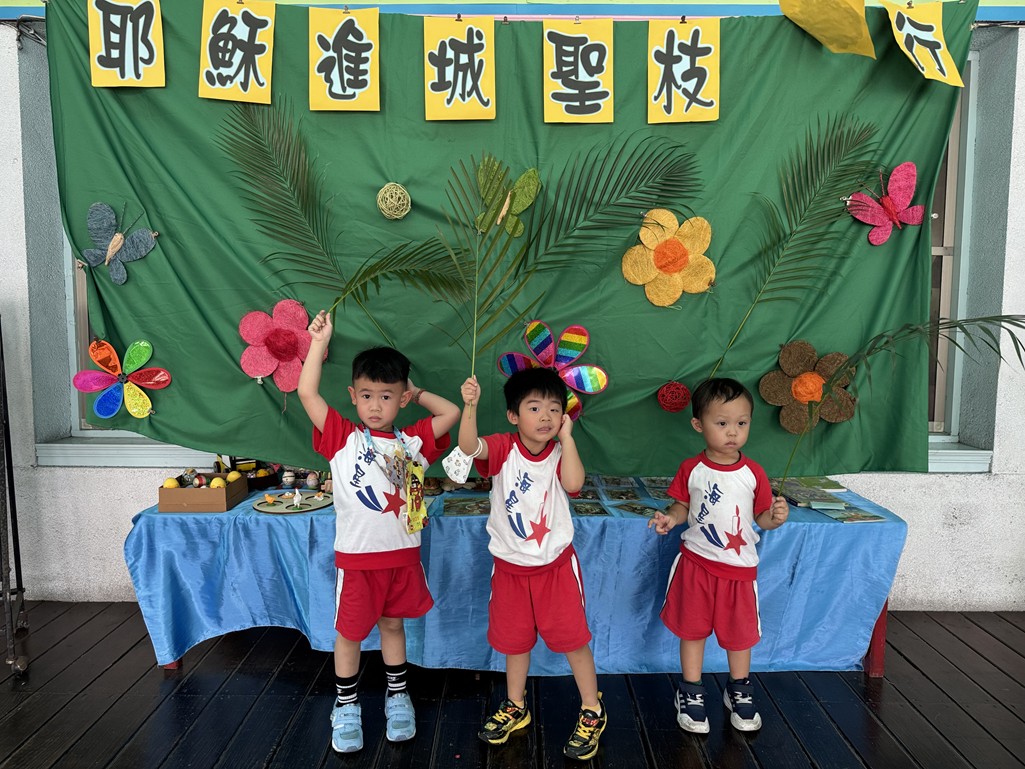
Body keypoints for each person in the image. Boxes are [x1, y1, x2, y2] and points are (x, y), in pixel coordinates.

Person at [298, 310, 461, 754]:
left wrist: (418, 392)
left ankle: (398, 696)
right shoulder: (343, 439)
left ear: (401, 399)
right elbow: (307, 392)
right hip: (357, 561)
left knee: (393, 625)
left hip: (402, 559)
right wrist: (318, 343)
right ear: (353, 396)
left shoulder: (413, 444)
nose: (375, 406)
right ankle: (346, 705)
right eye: (367, 395)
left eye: (387, 397)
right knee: (350, 633)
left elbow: (451, 412)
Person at [456, 368, 606, 761]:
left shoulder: (558, 453)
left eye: (554, 409)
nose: (545, 417)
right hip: (509, 569)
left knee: (573, 640)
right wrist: (469, 406)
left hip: (555, 569)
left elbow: (574, 484)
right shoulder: (502, 448)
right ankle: (515, 705)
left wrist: (568, 440)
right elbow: (468, 446)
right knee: (514, 642)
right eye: (534, 408)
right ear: (513, 415)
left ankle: (592, 707)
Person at [648, 377, 789, 734]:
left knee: (740, 636)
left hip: (739, 571)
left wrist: (774, 518)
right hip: (696, 565)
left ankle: (738, 689)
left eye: (741, 423)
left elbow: (761, 518)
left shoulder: (754, 473)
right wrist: (670, 518)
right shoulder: (691, 469)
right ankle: (690, 691)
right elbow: (682, 507)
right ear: (698, 425)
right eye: (722, 423)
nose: (733, 432)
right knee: (692, 631)